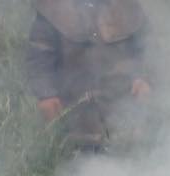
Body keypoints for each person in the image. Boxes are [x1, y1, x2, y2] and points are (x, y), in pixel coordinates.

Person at [25, 0, 151, 152]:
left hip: (123, 112)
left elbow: (147, 47)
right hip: (74, 113)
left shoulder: (127, 6)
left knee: (132, 163)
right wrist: (46, 95)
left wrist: (144, 78)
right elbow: (40, 58)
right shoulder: (53, 8)